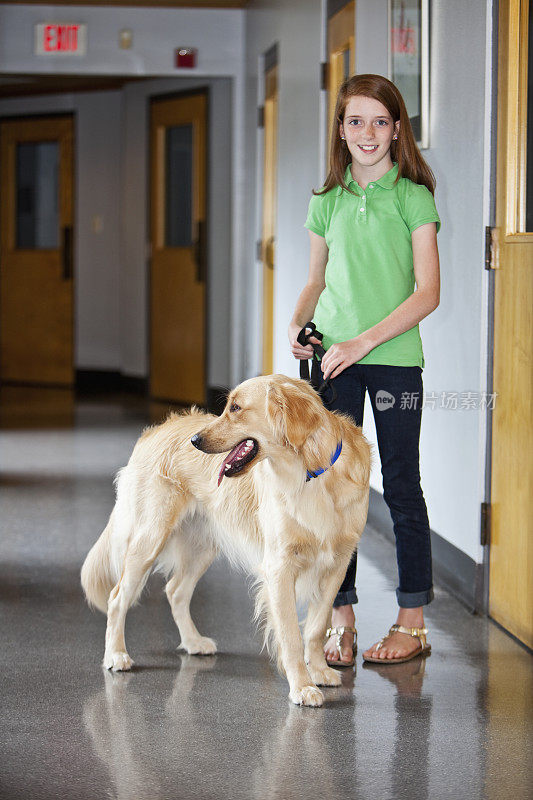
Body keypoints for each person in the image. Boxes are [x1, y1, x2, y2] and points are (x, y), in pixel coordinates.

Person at [288, 74, 440, 666]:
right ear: (341, 130)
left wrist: (363, 341)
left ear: (397, 129)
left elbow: (428, 292)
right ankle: (339, 621)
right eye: (356, 121)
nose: (368, 133)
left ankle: (412, 624)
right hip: (331, 363)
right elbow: (315, 283)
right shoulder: (325, 200)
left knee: (401, 485)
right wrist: (300, 329)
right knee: (331, 488)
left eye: (380, 121)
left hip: (394, 360)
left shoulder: (414, 197)